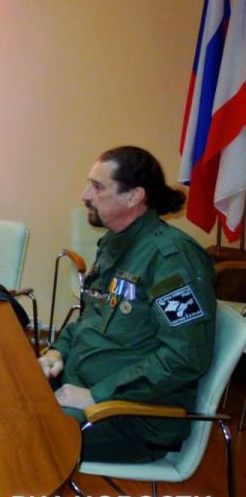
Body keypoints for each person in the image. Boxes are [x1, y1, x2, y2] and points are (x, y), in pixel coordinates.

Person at [38, 146, 215, 463]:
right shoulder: (115, 244)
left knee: (24, 436)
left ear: (134, 196)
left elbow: (184, 357)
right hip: (80, 386)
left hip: (132, 416)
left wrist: (97, 395)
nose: (84, 196)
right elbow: (90, 318)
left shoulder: (172, 259)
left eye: (97, 187)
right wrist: (57, 352)